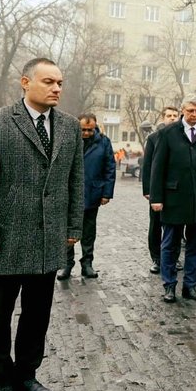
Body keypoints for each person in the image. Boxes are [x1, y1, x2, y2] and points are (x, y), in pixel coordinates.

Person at [0, 57, 83, 391]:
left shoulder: (68, 126)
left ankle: (27, 376)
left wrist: (73, 229)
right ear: (24, 82)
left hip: (48, 240)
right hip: (4, 240)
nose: (56, 89)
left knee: (37, 315)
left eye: (60, 83)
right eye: (48, 82)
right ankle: (0, 383)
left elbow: (75, 180)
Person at [150, 97, 196, 303]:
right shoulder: (168, 133)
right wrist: (156, 197)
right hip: (173, 199)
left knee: (194, 246)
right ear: (182, 110)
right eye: (190, 111)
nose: (194, 114)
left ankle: (190, 285)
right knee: (170, 244)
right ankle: (169, 285)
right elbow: (157, 167)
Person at [58, 113, 115, 280]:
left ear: (95, 127)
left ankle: (87, 263)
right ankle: (67, 264)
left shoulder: (104, 142)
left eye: (90, 130)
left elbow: (110, 168)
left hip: (93, 193)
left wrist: (107, 193)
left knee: (89, 231)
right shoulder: (68, 139)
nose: (87, 133)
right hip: (69, 194)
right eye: (83, 129)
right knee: (67, 230)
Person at [142, 106, 181, 273]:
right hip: (158, 189)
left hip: (176, 190)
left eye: (175, 115)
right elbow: (148, 165)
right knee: (156, 225)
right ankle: (156, 258)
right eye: (169, 115)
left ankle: (174, 257)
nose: (172, 118)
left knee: (176, 226)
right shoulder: (153, 137)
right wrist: (148, 190)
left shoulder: (183, 137)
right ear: (163, 118)